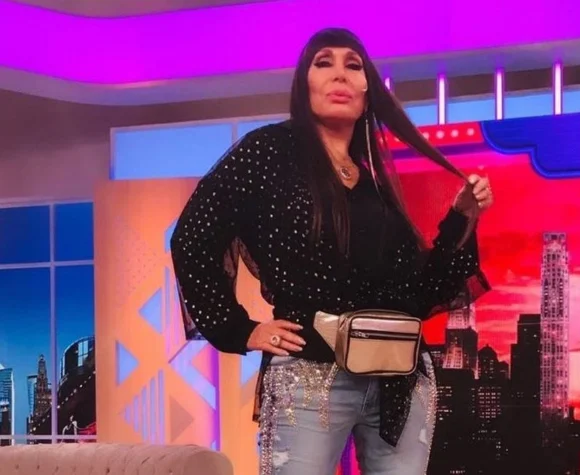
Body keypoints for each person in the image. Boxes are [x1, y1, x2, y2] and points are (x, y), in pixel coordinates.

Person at [170, 28, 493, 475]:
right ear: (304, 83)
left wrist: (461, 218)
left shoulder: (374, 185)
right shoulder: (268, 153)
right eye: (324, 63)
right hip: (310, 376)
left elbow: (419, 295)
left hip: (401, 381)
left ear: (368, 91)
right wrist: (238, 329)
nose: (340, 74)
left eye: (353, 65)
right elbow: (193, 236)